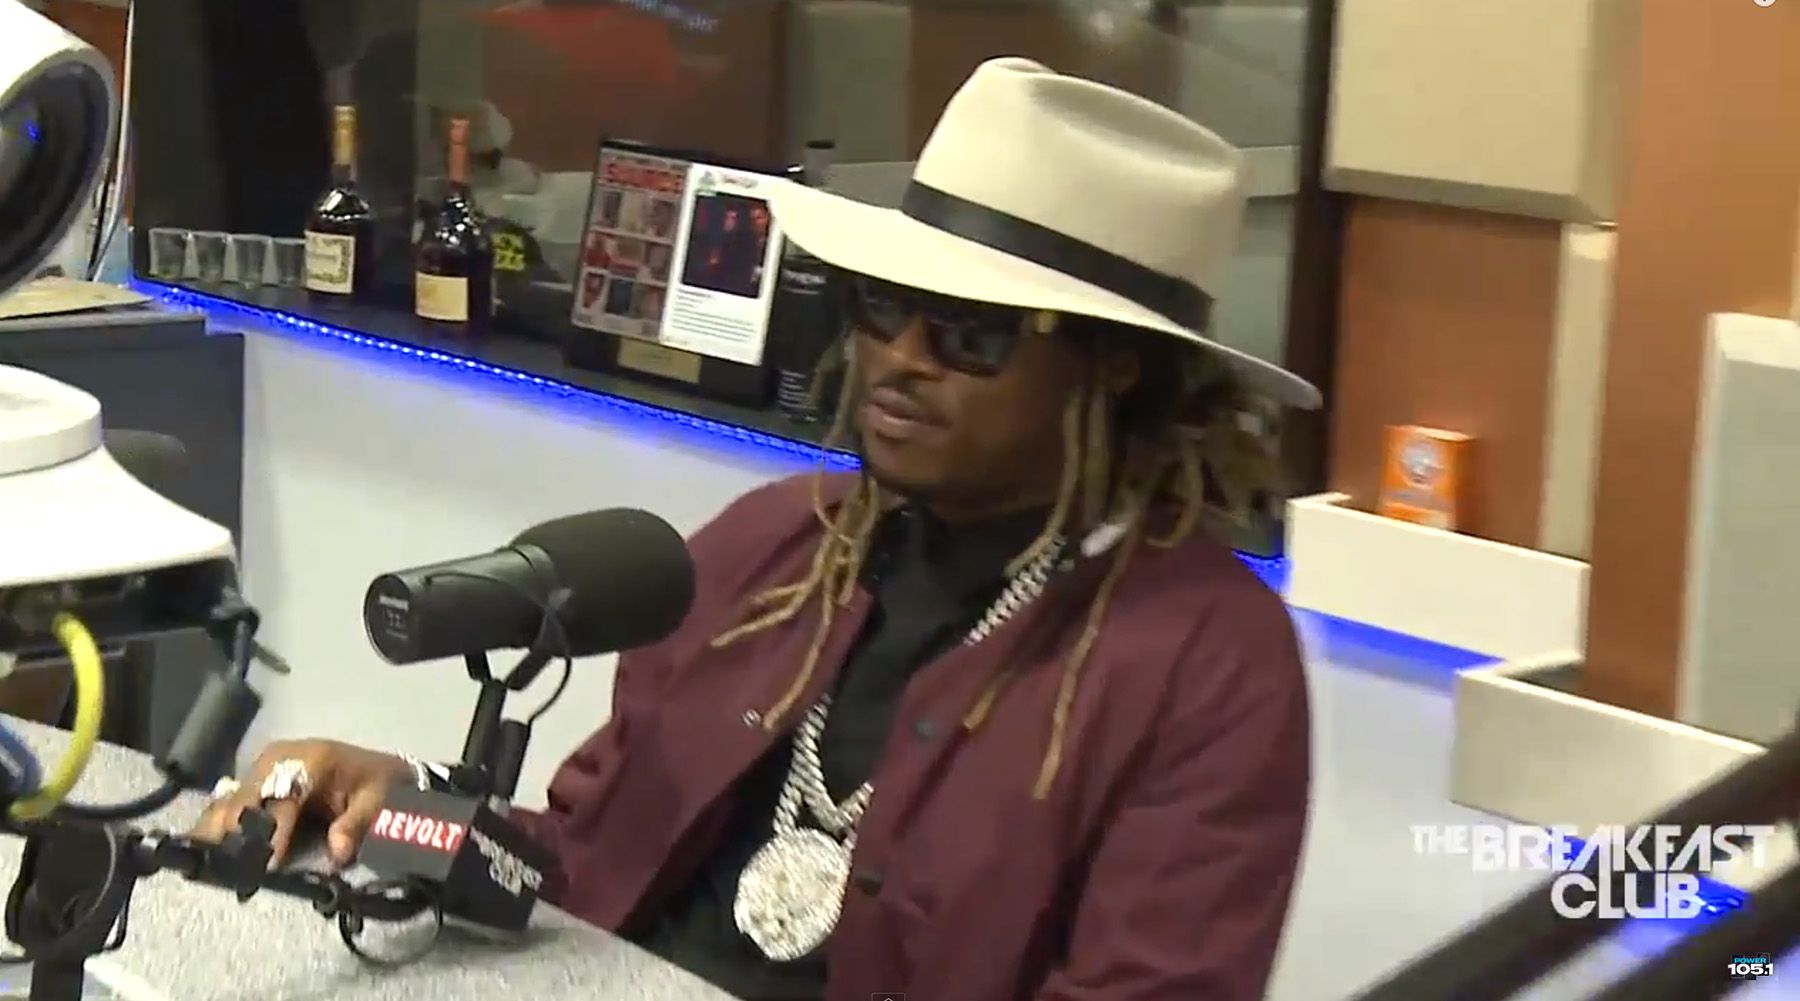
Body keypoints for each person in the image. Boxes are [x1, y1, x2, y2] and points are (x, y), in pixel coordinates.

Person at [194, 57, 1323, 1000]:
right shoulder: (775, 547)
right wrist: (407, 806)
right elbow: (586, 867)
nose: (901, 358)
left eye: (971, 333)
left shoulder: (1206, 661)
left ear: (1114, 366)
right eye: (885, 305)